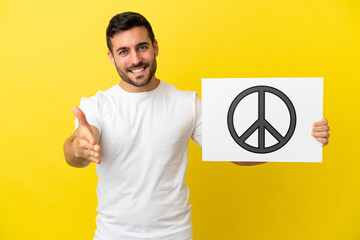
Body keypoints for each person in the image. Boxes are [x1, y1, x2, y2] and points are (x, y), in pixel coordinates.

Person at [63, 12, 330, 240]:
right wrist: (80, 147)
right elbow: (74, 151)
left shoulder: (187, 102)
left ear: (155, 46)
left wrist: (297, 138)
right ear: (111, 57)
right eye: (124, 51)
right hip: (113, 235)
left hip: (174, 234)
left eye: (141, 47)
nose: (135, 59)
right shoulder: (96, 105)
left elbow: (235, 151)